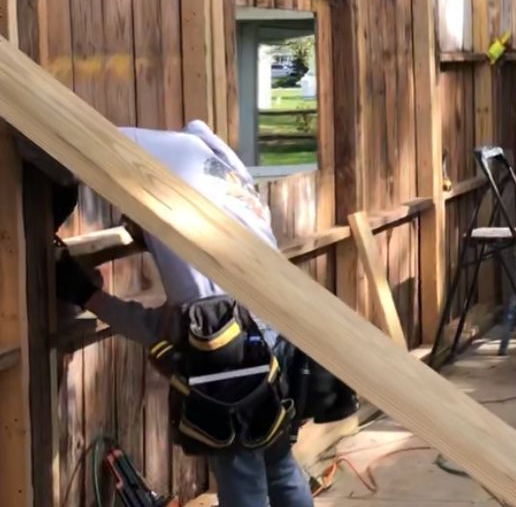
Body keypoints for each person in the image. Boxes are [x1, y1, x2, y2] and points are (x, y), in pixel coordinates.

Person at [41, 121, 315, 507]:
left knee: (243, 482)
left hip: (235, 354)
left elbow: (162, 328)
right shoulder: (217, 167)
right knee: (279, 463)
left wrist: (89, 296)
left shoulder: (130, 156)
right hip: (280, 320)